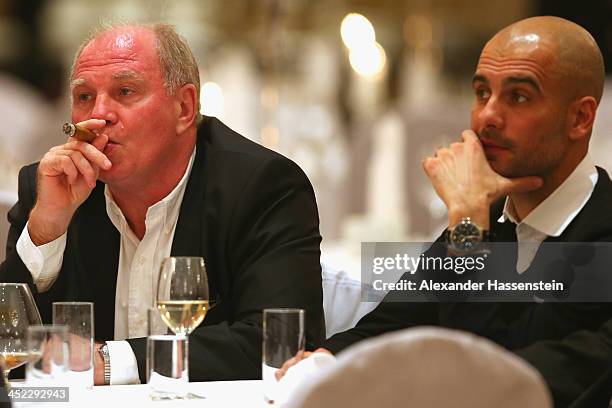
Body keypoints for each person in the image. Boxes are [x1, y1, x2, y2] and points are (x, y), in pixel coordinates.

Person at [278, 16, 612, 406]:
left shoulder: (596, 235)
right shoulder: (491, 219)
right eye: (482, 92)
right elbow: (392, 327)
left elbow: (497, 378)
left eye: (518, 96)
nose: (488, 115)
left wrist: (469, 224)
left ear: (580, 118)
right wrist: (328, 361)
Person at [0, 23, 325, 385]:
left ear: (184, 107)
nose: (99, 115)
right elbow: (8, 343)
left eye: (125, 91)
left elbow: (283, 345)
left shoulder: (261, 187)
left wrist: (109, 360)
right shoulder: (51, 186)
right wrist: (47, 227)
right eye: (84, 97)